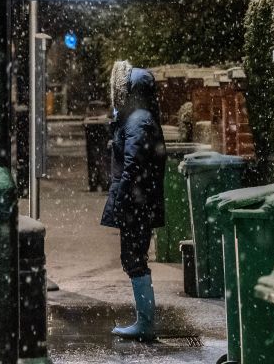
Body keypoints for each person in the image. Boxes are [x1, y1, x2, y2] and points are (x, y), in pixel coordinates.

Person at [100, 61, 167, 341]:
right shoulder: (139, 116)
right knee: (133, 258)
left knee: (134, 259)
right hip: (139, 201)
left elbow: (133, 165)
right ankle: (144, 321)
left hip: (136, 203)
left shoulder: (138, 120)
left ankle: (146, 323)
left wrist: (122, 201)